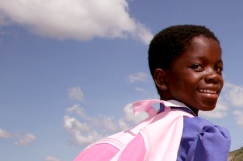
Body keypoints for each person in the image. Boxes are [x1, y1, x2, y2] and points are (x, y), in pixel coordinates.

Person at [74, 25, 231, 161]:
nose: (214, 76)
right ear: (162, 79)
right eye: (197, 66)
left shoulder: (134, 136)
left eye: (218, 68)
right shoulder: (200, 135)